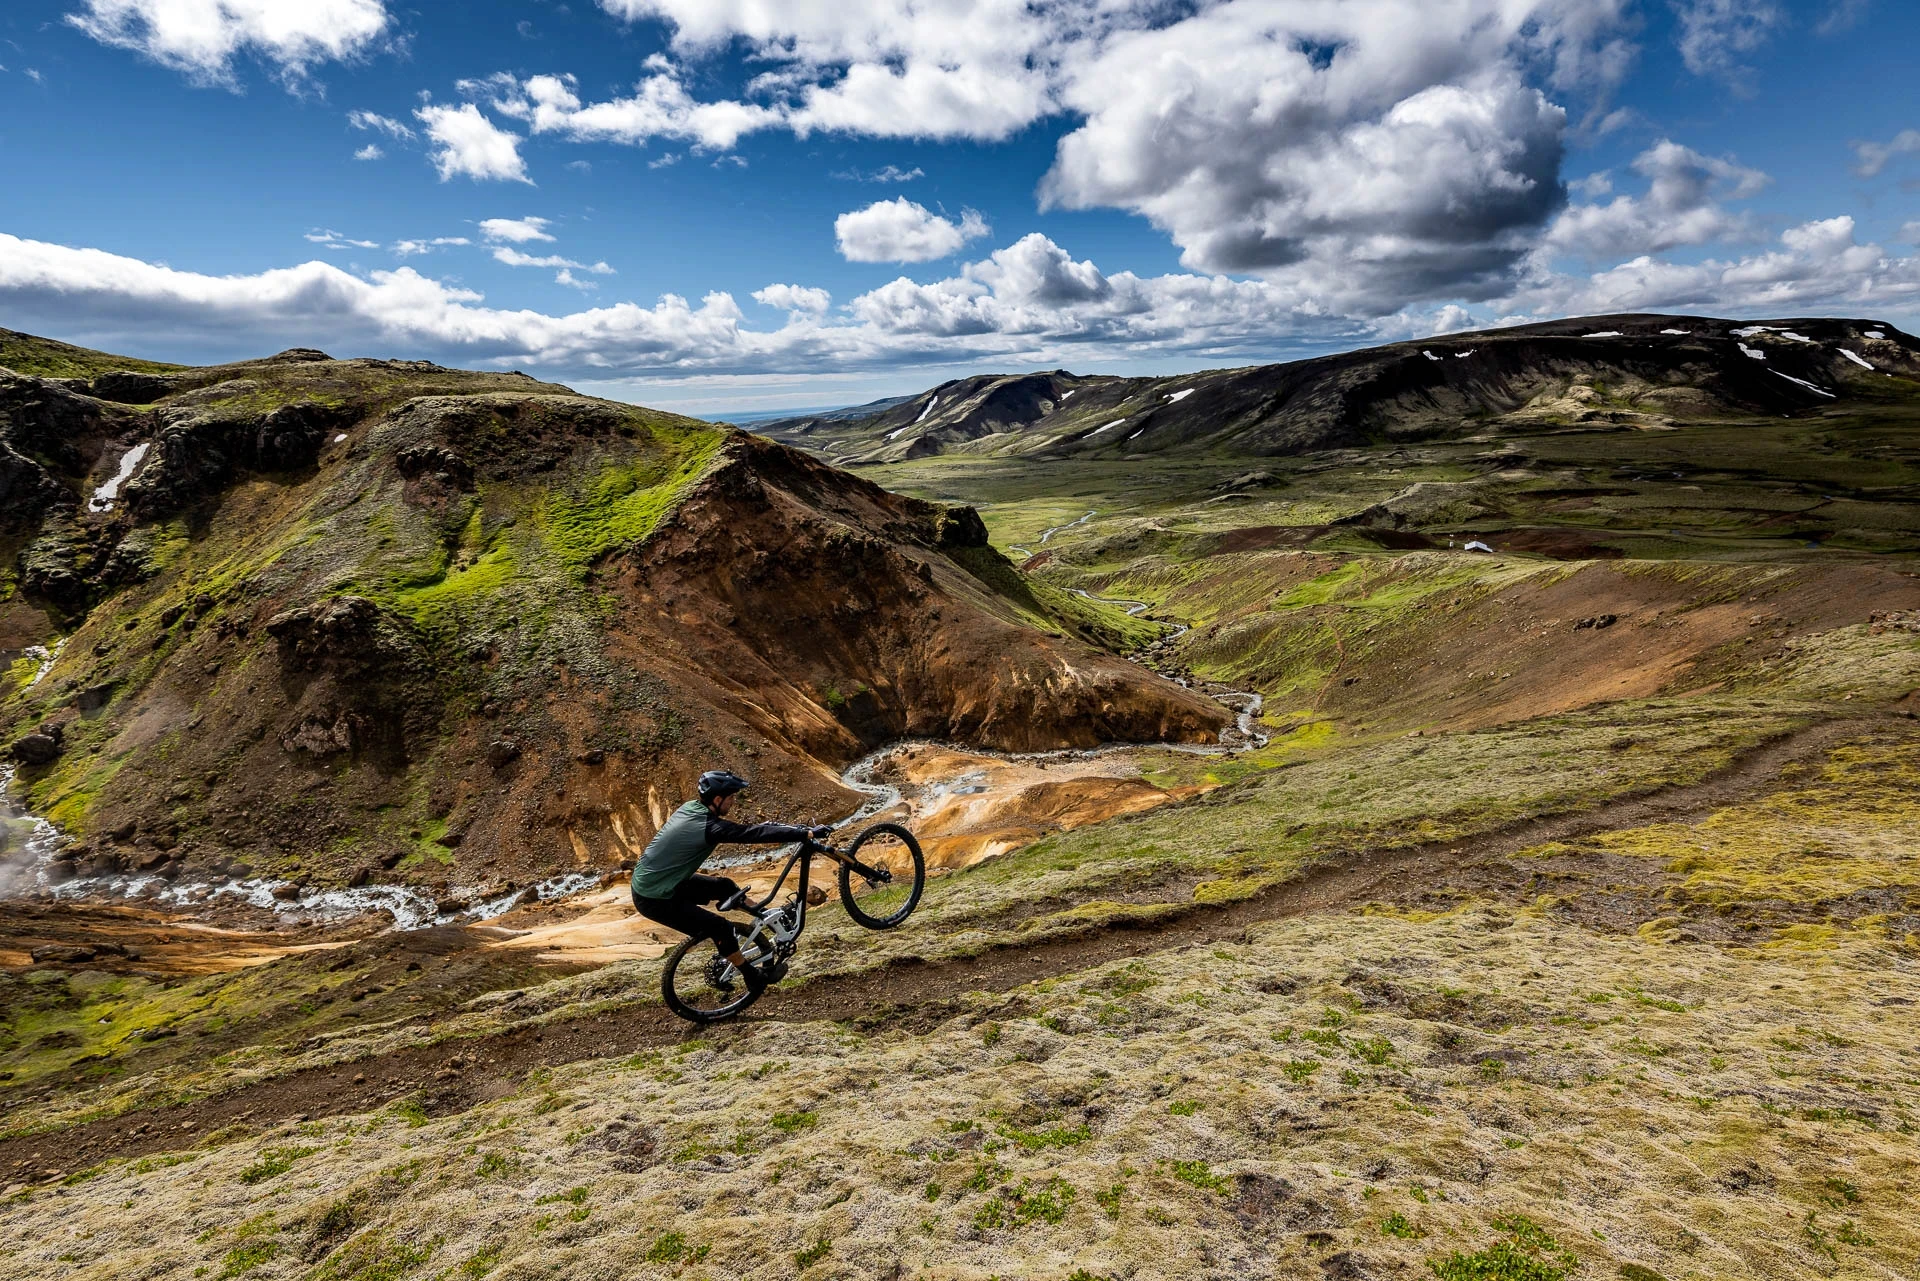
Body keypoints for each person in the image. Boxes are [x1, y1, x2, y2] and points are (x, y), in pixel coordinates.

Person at [631, 770, 830, 989]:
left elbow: (759, 829)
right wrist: (806, 834)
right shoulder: (711, 828)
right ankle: (750, 975)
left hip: (661, 882)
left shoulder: (691, 808)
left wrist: (798, 830)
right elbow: (755, 834)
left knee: (724, 887)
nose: (734, 802)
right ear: (717, 799)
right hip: (653, 898)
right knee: (720, 927)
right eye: (731, 797)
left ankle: (768, 919)